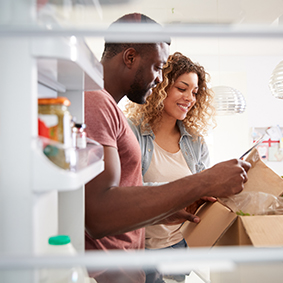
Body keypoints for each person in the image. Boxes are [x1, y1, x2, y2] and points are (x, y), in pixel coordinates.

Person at [84, 13, 251, 283]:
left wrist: (165, 208)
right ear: (130, 57)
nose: (160, 79)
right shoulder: (96, 102)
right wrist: (205, 181)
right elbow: (98, 214)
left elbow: (123, 193)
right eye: (158, 67)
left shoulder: (105, 107)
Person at [125, 52, 215, 282]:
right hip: (141, 252)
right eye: (182, 88)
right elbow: (125, 191)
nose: (190, 98)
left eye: (194, 92)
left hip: (179, 248)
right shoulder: (133, 133)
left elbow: (202, 197)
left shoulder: (196, 143)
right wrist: (182, 191)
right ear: (160, 87)